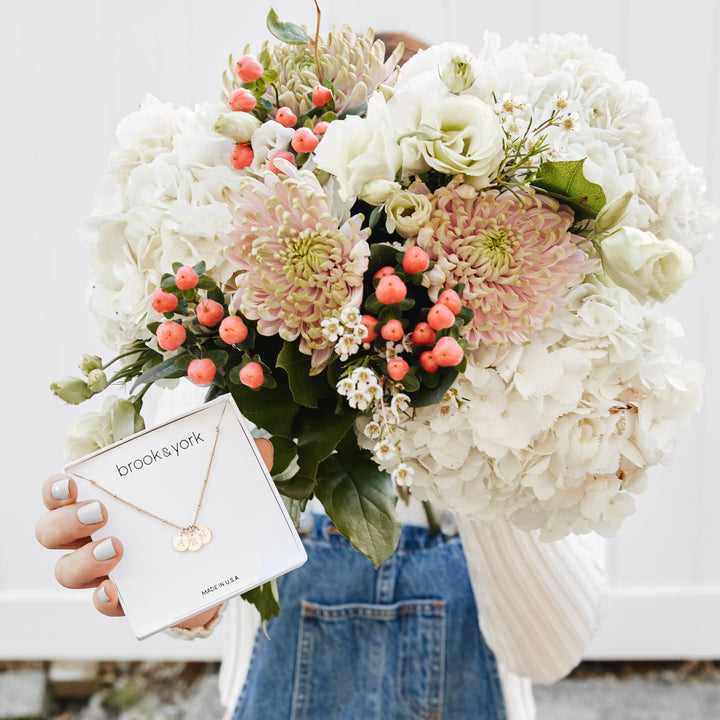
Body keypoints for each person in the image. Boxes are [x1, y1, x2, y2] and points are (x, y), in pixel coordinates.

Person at [36, 32, 608, 720]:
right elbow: (187, 586)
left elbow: (550, 653)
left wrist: (464, 403)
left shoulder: (543, 377)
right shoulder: (223, 353)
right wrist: (179, 587)